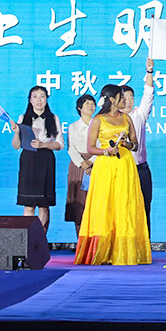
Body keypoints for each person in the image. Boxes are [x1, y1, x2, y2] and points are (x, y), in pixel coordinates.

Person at [75, 84, 151, 265]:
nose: (125, 100)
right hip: (105, 167)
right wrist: (106, 151)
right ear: (112, 100)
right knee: (105, 205)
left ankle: (124, 251)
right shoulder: (98, 120)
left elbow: (135, 145)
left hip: (125, 165)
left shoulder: (127, 118)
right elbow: (90, 147)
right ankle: (102, 251)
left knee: (125, 205)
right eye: (121, 97)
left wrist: (126, 144)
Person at [11, 85, 64, 235]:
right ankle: (27, 239)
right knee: (28, 204)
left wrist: (43, 145)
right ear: (30, 100)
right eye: (35, 97)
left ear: (47, 99)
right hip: (28, 160)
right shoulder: (23, 118)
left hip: (45, 160)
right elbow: (16, 146)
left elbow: (60, 144)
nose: (39, 100)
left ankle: (41, 238)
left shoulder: (53, 118)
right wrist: (16, 132)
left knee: (43, 204)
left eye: (42, 96)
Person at [121, 59, 157, 232]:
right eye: (124, 98)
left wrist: (149, 72)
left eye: (131, 98)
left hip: (140, 169)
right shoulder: (109, 120)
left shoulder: (139, 115)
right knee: (123, 210)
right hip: (121, 171)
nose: (128, 101)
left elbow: (148, 93)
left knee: (143, 209)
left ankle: (144, 244)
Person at [64, 94, 97, 237]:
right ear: (79, 108)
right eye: (87, 103)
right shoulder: (73, 126)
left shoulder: (99, 124)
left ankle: (95, 241)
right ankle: (81, 239)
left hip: (96, 164)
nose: (91, 106)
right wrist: (83, 164)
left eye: (92, 103)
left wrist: (91, 161)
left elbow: (102, 146)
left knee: (95, 202)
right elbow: (71, 148)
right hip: (78, 166)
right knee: (79, 202)